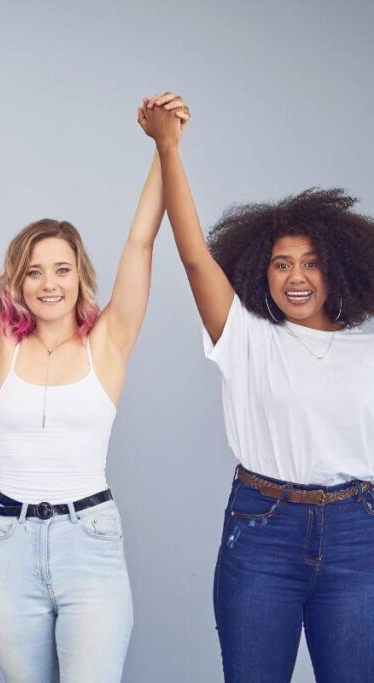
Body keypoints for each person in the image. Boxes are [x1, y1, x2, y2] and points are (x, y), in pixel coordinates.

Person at [0, 95, 187, 682]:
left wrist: (165, 147)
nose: (47, 283)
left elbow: (140, 243)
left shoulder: (109, 344)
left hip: (90, 544)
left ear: (80, 277)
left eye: (61, 269)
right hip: (8, 546)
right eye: (33, 270)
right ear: (18, 281)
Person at [143, 95, 374, 683]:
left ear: (339, 268)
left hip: (359, 533)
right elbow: (195, 257)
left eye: (311, 263)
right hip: (263, 530)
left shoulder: (367, 351)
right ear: (258, 272)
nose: (296, 277)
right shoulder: (245, 337)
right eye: (280, 264)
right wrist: (169, 148)